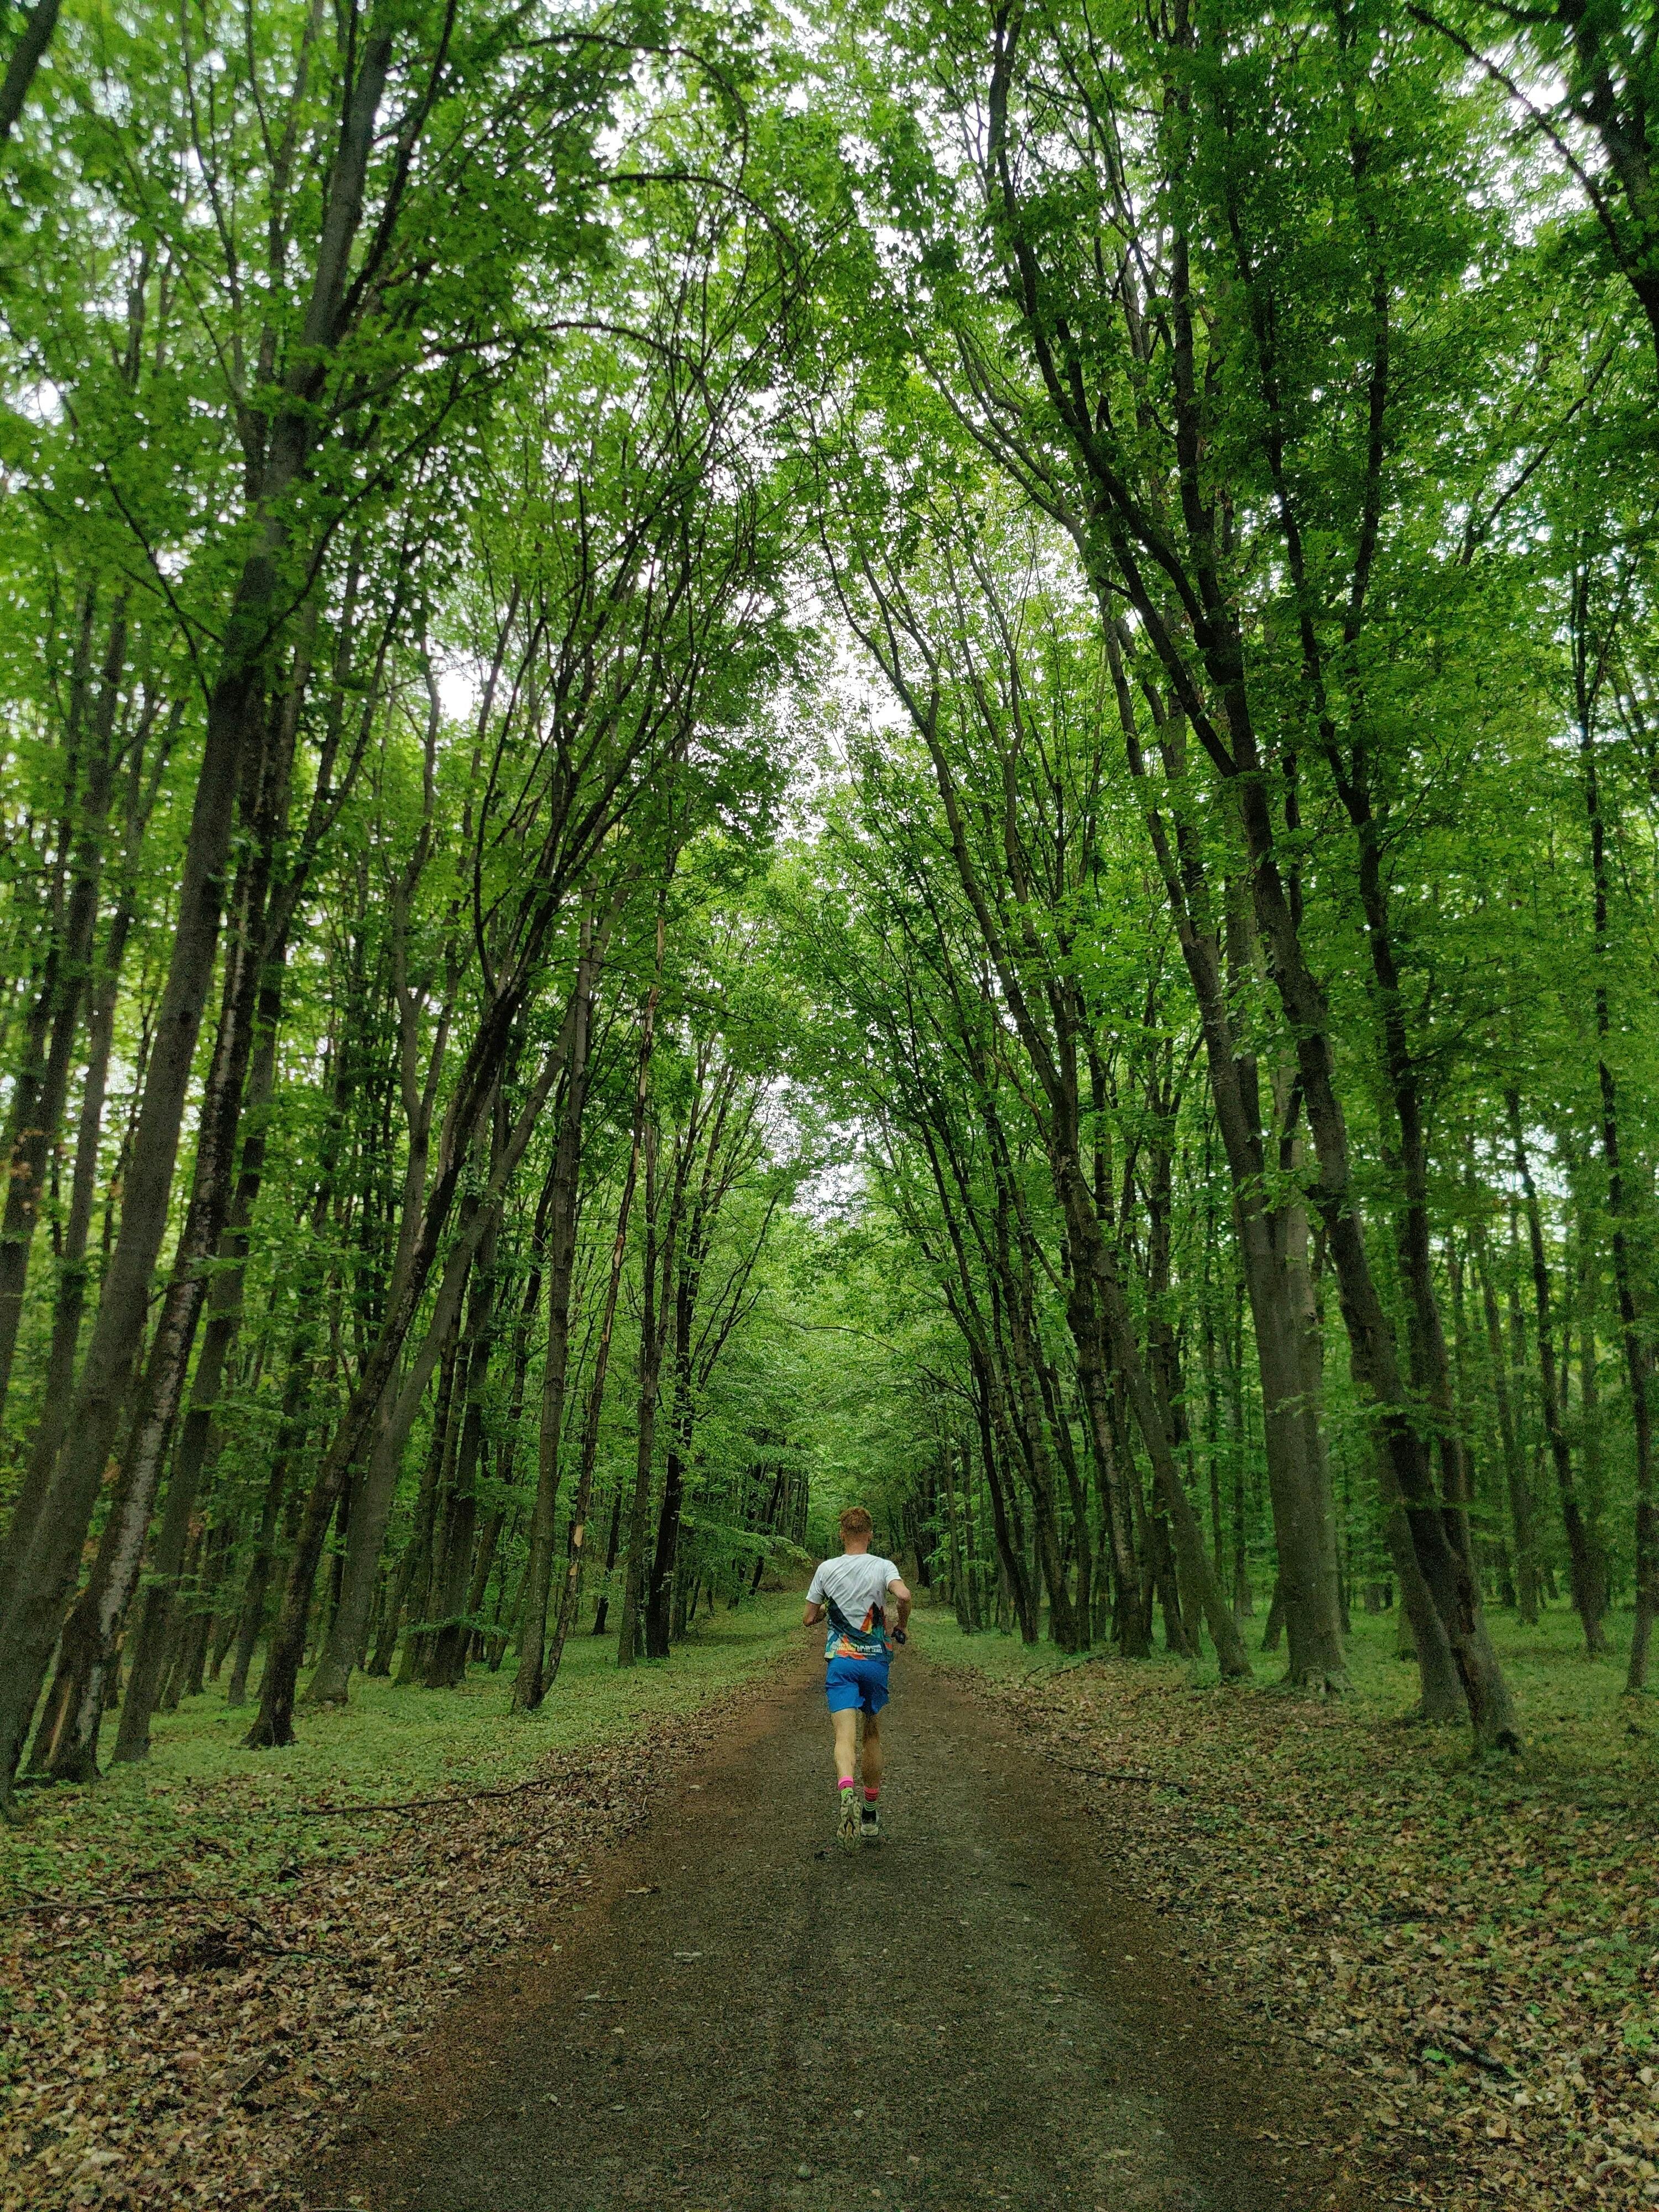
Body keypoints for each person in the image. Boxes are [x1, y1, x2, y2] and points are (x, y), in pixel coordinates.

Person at [804, 1506, 911, 1849]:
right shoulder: (883, 1566)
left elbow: (808, 1618)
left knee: (843, 1737)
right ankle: (869, 1813)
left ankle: (845, 1785)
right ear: (870, 1534)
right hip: (874, 1662)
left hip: (841, 1662)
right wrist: (901, 1626)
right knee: (872, 1733)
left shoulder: (826, 1569)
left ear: (841, 1535)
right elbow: (904, 1595)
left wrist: (827, 1609)